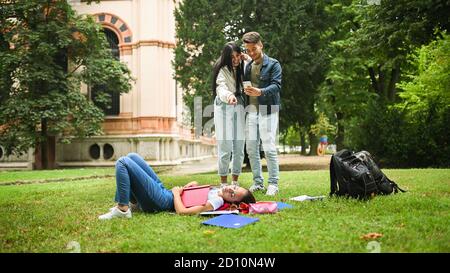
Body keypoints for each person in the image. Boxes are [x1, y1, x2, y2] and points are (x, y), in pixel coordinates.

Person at [98, 153, 256, 220]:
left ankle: (122, 209)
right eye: (234, 188)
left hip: (161, 202)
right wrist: (192, 186)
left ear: (232, 202)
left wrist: (175, 194)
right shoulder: (216, 191)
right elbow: (194, 197)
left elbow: (183, 212)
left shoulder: (216, 202)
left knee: (123, 162)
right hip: (164, 192)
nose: (230, 190)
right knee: (132, 156)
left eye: (233, 195)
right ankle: (133, 204)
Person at [242, 31, 282, 196]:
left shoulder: (273, 64)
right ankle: (258, 182)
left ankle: (273, 183)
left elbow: (276, 86)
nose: (251, 52)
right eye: (248, 50)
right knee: (251, 148)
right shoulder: (249, 66)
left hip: (268, 110)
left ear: (261, 45)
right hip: (251, 111)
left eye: (254, 49)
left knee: (269, 148)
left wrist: (260, 91)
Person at [212, 42, 246, 187]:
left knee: (239, 145)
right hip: (224, 104)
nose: (236, 59)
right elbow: (221, 88)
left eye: (238, 56)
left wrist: (247, 58)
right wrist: (229, 96)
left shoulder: (243, 65)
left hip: (239, 104)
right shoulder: (221, 70)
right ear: (226, 57)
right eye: (232, 57)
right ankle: (224, 184)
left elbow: (255, 68)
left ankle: (235, 182)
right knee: (225, 146)